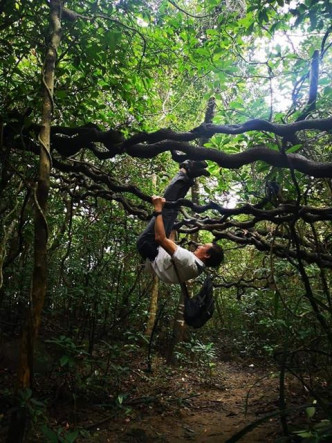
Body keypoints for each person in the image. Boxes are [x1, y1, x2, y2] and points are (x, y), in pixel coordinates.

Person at [137, 160, 224, 284]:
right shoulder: (195, 268)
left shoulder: (188, 260)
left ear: (207, 255)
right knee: (174, 208)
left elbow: (160, 238)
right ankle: (189, 177)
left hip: (149, 244)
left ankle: (184, 169)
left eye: (204, 246)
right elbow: (170, 255)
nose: (199, 245)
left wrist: (158, 209)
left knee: (166, 205)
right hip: (156, 250)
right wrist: (173, 230)